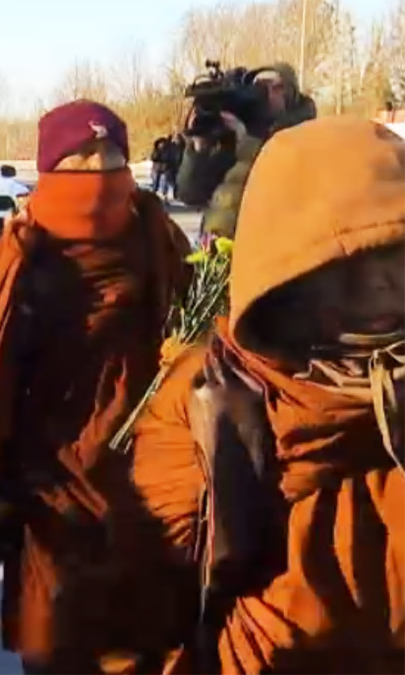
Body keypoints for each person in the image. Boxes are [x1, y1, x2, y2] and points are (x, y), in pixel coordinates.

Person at [96, 117, 404, 674]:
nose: (381, 283)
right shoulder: (210, 402)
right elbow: (138, 606)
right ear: (289, 274)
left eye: (395, 255)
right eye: (349, 264)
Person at [0, 100, 190, 674]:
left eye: (109, 155)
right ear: (49, 167)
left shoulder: (158, 240)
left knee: (146, 638)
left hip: (149, 471)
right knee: (56, 641)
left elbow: (204, 327)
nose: (96, 171)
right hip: (50, 483)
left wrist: (192, 362)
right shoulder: (20, 253)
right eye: (80, 157)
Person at [177, 62, 317, 239]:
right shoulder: (238, 131)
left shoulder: (305, 134)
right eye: (257, 86)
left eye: (271, 85)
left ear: (290, 93)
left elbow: (280, 188)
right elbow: (191, 194)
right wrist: (200, 150)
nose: (263, 92)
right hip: (219, 251)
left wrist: (246, 143)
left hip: (270, 249)